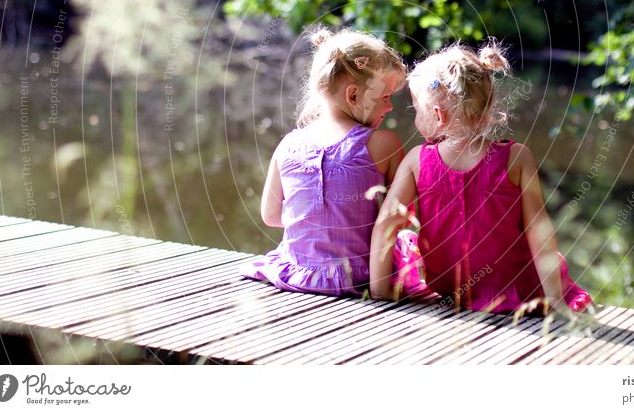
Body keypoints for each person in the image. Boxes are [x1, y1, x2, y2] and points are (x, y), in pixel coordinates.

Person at [370, 42, 592, 315]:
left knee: (406, 239)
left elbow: (385, 225)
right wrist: (556, 299)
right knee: (548, 257)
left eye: (416, 109)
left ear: (438, 115)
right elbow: (539, 231)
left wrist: (379, 292)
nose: (415, 117)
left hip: (448, 286)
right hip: (512, 287)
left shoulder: (416, 160)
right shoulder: (517, 158)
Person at [241, 28, 407, 296]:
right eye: (385, 97)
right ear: (353, 96)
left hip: (297, 274)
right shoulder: (383, 144)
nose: (389, 108)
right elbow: (402, 217)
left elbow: (271, 216)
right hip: (360, 278)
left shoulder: (288, 144)